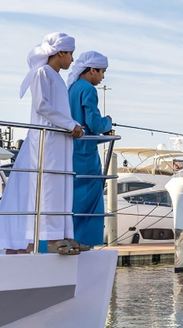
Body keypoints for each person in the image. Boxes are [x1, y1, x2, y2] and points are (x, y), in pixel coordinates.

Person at [0, 32, 83, 254]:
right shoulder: (41, 73)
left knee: (61, 186)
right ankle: (53, 238)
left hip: (59, 140)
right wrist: (70, 125)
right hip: (47, 140)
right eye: (71, 54)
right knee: (48, 186)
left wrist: (71, 124)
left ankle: (64, 234)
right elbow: (42, 106)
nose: (72, 60)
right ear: (61, 53)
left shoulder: (55, 76)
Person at [67, 51, 112, 247]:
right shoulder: (88, 90)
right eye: (102, 72)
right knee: (91, 199)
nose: (102, 77)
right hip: (86, 156)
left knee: (72, 198)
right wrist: (108, 123)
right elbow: (94, 123)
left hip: (71, 152)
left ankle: (69, 236)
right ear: (92, 70)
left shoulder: (72, 88)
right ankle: (84, 242)